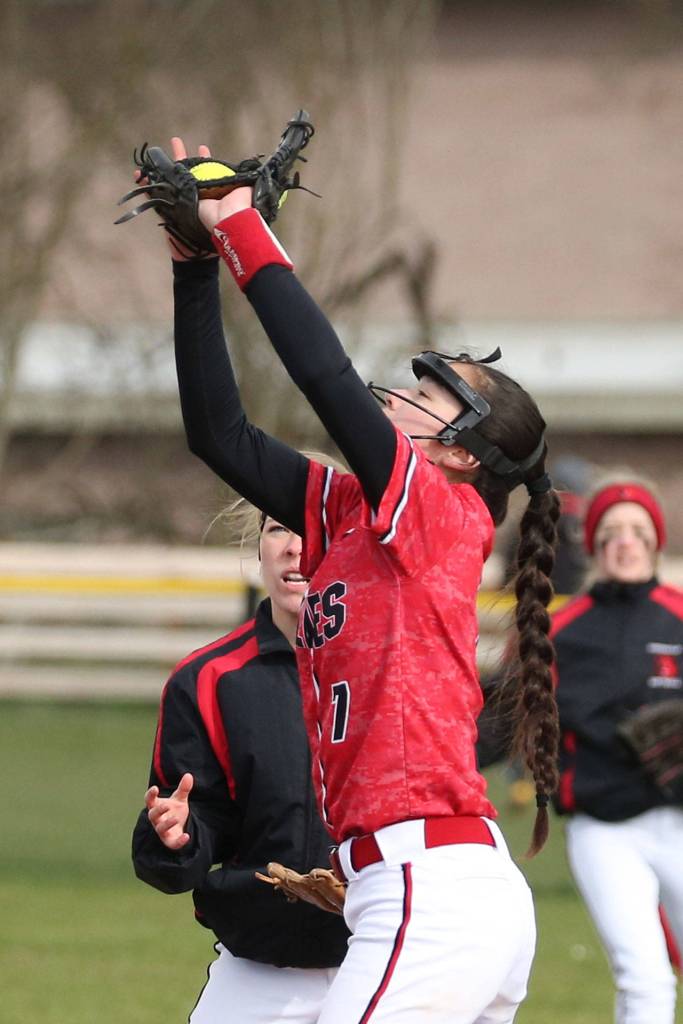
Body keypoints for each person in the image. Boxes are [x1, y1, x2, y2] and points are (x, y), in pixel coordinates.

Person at [155, 134, 562, 1024]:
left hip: (431, 885)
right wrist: (195, 268)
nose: (404, 390)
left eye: (432, 393)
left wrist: (242, 228)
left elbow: (325, 377)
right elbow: (217, 436)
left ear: (459, 450)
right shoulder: (350, 509)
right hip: (409, 884)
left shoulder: (445, 512)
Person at [132, 500, 350, 1024]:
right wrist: (176, 835)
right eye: (278, 529)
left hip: (379, 961)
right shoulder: (208, 677)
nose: (295, 545)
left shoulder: (395, 669)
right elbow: (202, 820)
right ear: (259, 549)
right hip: (259, 965)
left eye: (317, 528)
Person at [549, 478, 683, 1024]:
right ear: (594, 546)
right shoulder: (562, 631)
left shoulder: (678, 614)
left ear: (656, 541)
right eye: (612, 532)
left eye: (638, 531)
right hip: (605, 829)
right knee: (645, 978)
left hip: (678, 820)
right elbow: (515, 722)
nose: (626, 542)